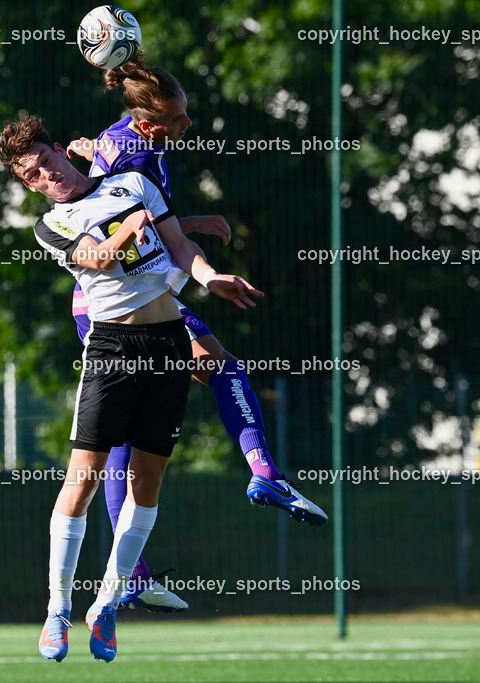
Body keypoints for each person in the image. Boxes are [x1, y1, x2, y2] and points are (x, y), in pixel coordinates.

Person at [0, 114, 262, 663]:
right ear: (28, 186)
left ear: (60, 152)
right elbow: (97, 257)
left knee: (148, 482)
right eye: (34, 176)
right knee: (84, 480)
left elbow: (178, 246)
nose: (47, 177)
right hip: (111, 351)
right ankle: (56, 612)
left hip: (168, 342)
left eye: (47, 163)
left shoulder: (133, 182)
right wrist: (126, 227)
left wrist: (211, 278)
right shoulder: (51, 226)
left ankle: (108, 606)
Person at [65, 60, 328, 615]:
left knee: (132, 435)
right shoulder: (134, 155)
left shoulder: (125, 138)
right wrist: (200, 254)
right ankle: (263, 475)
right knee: (217, 372)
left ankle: (134, 569)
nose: (186, 125)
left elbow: (136, 205)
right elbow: (133, 227)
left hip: (132, 298)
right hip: (124, 306)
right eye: (176, 118)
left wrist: (192, 221)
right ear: (148, 123)